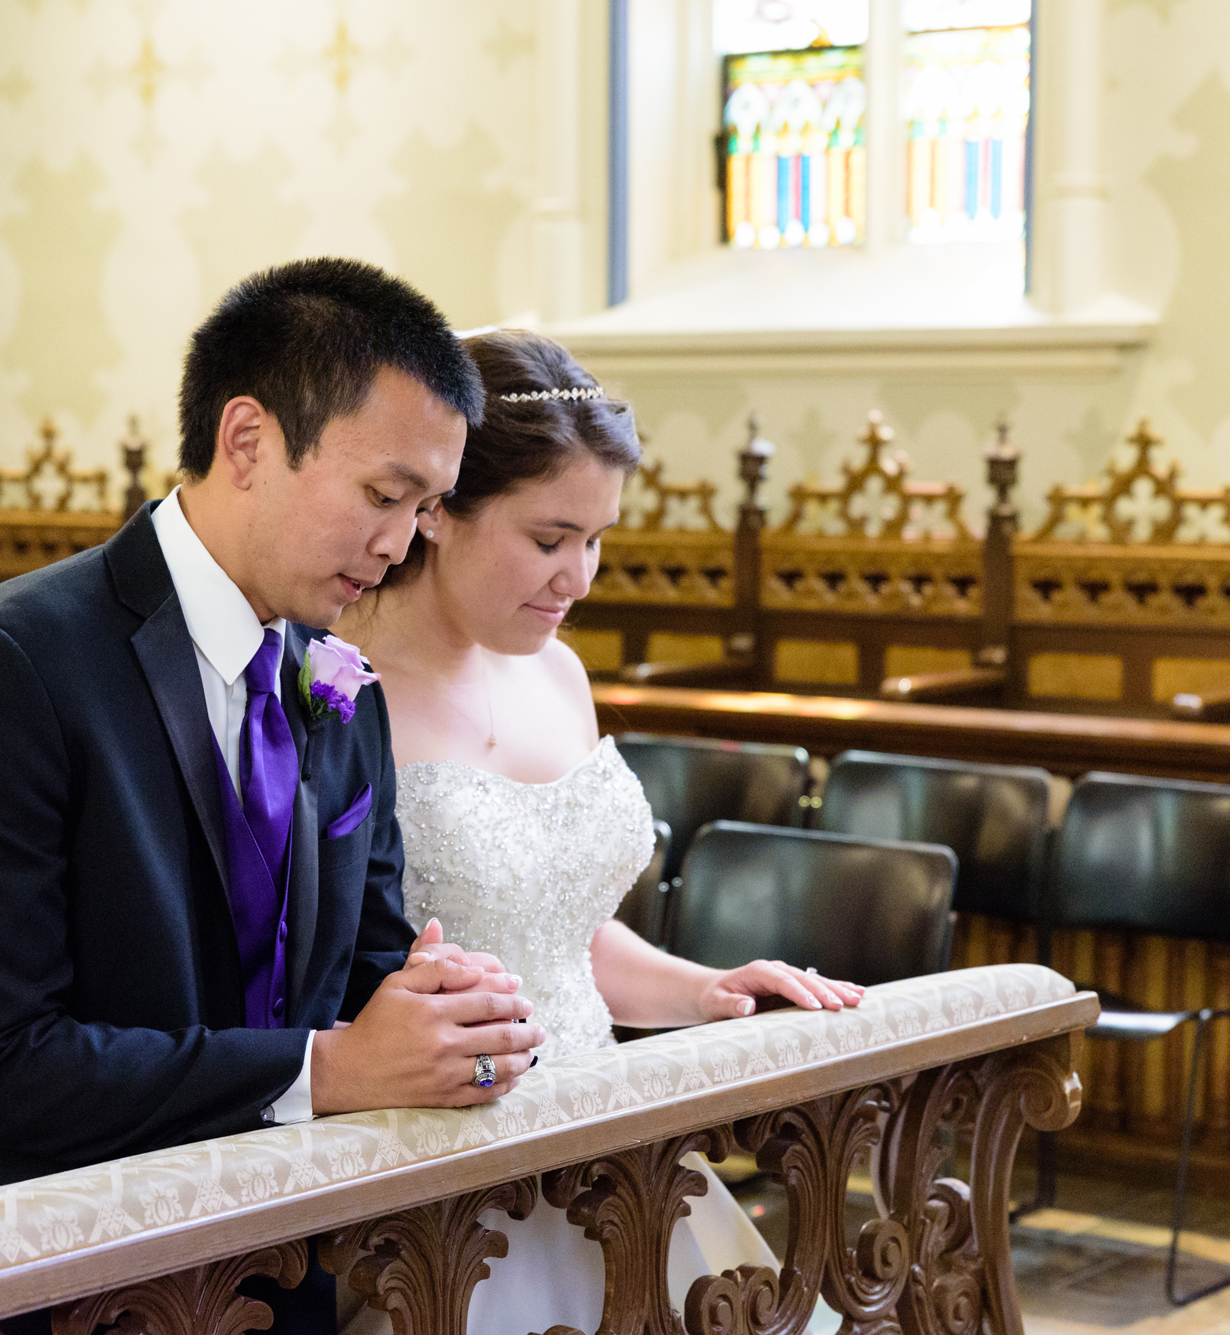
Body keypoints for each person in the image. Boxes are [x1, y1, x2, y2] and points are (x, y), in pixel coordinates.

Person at [0, 260, 544, 1333]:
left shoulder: (340, 684)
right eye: (383, 495)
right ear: (246, 440)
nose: (396, 544)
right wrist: (325, 1067)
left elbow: (362, 963)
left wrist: (433, 1005)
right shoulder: (10, 665)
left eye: (424, 509)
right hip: (54, 1269)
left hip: (287, 1271)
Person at [332, 329, 863, 1335]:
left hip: (610, 1143)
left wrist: (702, 990)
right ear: (438, 511)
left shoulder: (558, 674)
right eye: (547, 539)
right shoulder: (336, 689)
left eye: (596, 538)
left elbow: (562, 934)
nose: (578, 576)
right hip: (439, 1174)